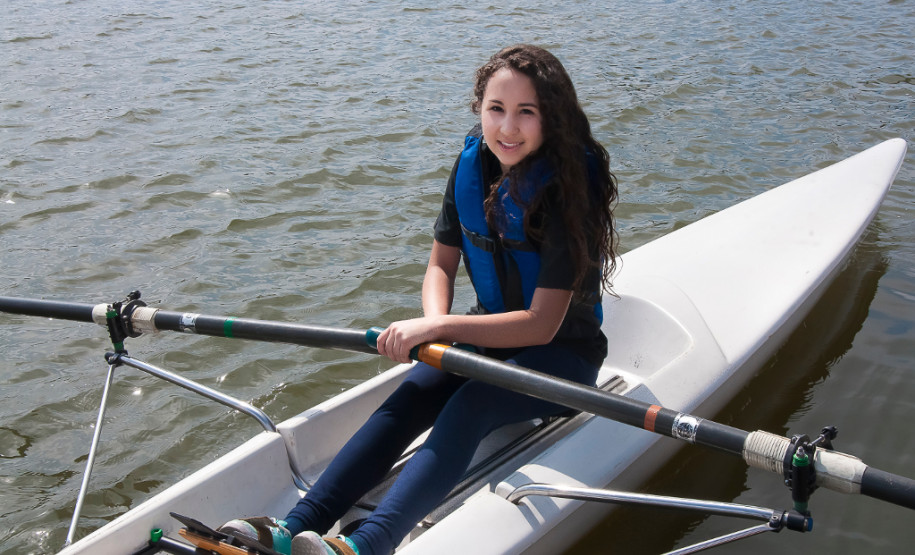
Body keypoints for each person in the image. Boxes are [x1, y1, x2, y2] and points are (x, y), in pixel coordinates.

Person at [220, 44, 619, 555]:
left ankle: (370, 544)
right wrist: (435, 327)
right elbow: (440, 264)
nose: (507, 128)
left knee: (470, 406)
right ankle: (294, 525)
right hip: (489, 335)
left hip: (565, 357)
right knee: (413, 393)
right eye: (496, 109)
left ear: (552, 119)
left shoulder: (566, 189)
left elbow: (542, 325)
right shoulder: (472, 165)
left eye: (527, 112)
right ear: (479, 108)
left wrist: (437, 331)